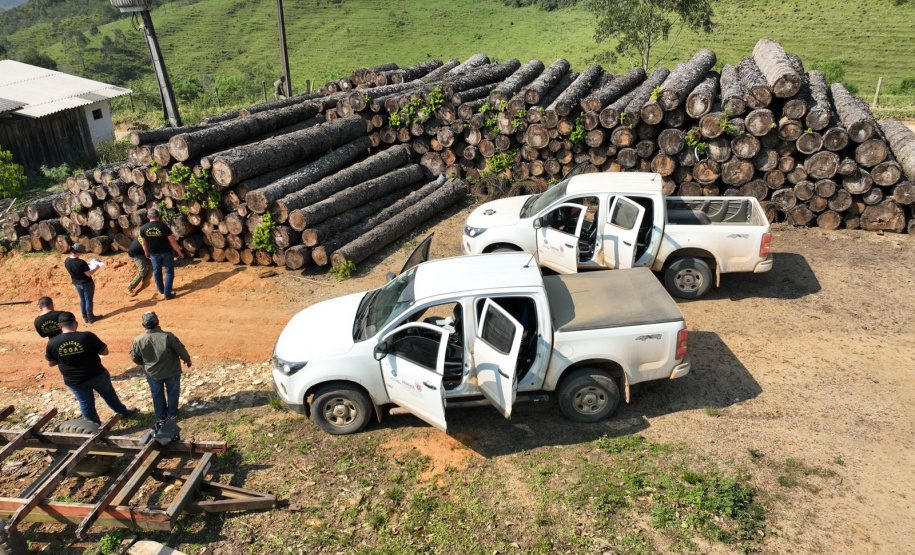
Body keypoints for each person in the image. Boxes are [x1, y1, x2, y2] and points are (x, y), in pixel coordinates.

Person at [45, 312, 133, 425]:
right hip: (96, 375)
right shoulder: (87, 336)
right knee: (109, 395)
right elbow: (105, 352)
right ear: (75, 323)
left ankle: (93, 427)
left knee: (85, 403)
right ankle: (122, 413)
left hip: (74, 381)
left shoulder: (52, 342)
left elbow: (51, 363)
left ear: (60, 326)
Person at [129, 311, 192, 423]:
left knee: (157, 393)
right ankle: (172, 413)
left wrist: (144, 364)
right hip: (171, 370)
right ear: (158, 322)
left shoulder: (138, 340)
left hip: (152, 373)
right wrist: (187, 359)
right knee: (173, 391)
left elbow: (134, 358)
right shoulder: (168, 336)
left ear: (143, 325)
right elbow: (180, 350)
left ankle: (161, 416)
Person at [140, 209, 184, 300]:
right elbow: (173, 242)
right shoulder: (164, 227)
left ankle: (161, 290)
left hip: (153, 254)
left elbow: (144, 243)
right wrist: (179, 252)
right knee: (169, 272)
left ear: (148, 217)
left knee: (157, 272)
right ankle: (167, 294)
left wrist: (146, 253)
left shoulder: (143, 228)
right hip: (166, 253)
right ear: (158, 216)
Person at [65, 243, 103, 323]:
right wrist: (96, 268)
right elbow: (88, 274)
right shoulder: (81, 262)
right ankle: (90, 317)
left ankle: (85, 317)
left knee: (82, 299)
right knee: (88, 300)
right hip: (86, 283)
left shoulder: (67, 260)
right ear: (78, 252)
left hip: (76, 283)